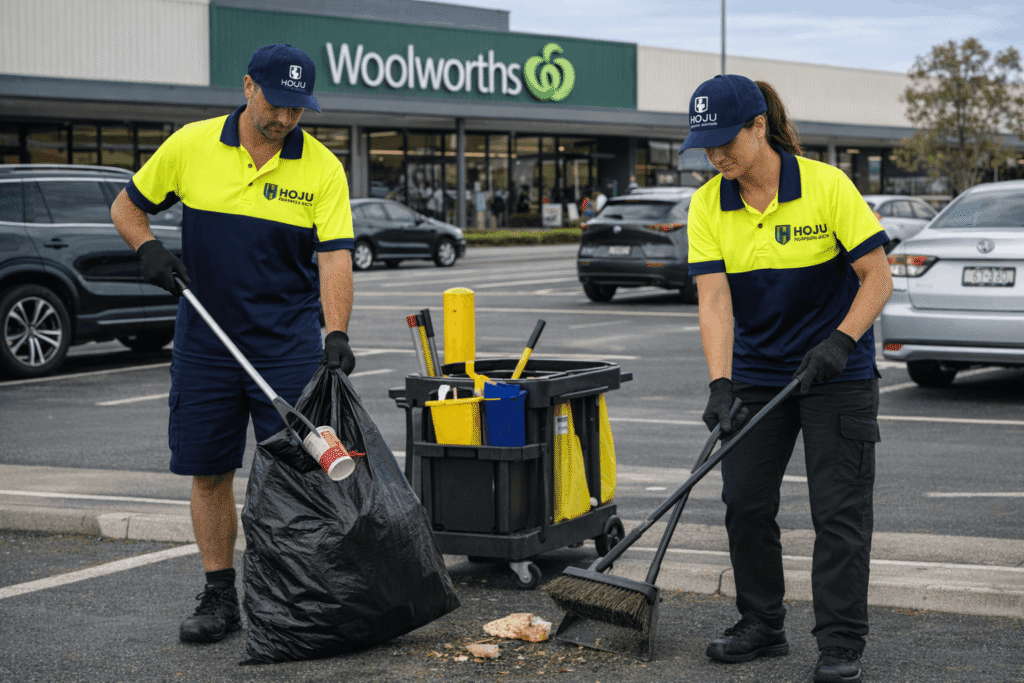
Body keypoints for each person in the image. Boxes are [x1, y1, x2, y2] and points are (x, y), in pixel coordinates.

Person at [110, 43, 357, 644]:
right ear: (248, 87)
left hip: (285, 344)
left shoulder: (322, 167)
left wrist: (336, 331)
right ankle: (220, 596)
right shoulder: (190, 145)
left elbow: (334, 257)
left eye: (298, 108)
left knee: (300, 474)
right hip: (206, 344)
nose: (286, 119)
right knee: (209, 472)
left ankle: (297, 598)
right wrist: (147, 247)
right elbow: (126, 207)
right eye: (277, 104)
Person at [680, 75, 893, 683]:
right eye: (705, 145)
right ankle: (762, 625)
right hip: (756, 373)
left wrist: (841, 342)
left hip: (837, 371)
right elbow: (714, 300)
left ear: (759, 127)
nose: (716, 155)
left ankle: (841, 642)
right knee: (745, 503)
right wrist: (720, 384)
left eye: (726, 141)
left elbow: (878, 277)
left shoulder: (826, 185)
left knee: (838, 511)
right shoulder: (707, 204)